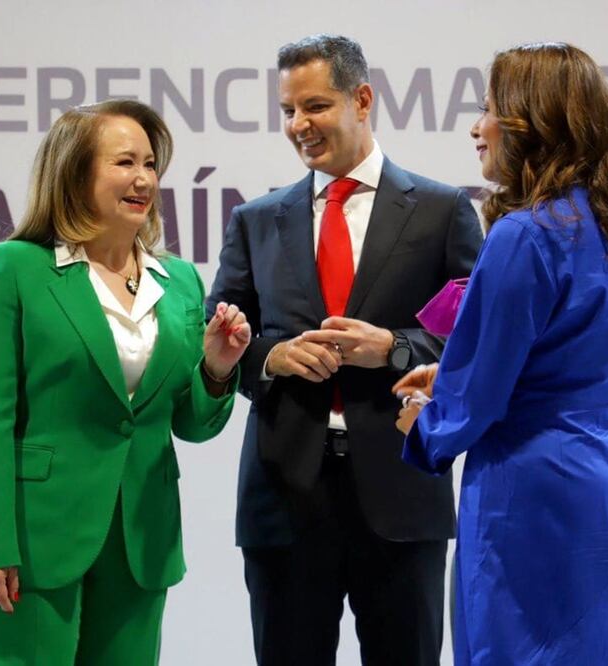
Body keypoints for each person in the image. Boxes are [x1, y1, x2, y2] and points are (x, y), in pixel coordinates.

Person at [0, 99, 251, 664]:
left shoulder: (177, 280)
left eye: (151, 164)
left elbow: (190, 424)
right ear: (76, 174)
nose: (143, 179)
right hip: (33, 540)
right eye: (124, 162)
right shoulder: (17, 269)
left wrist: (216, 368)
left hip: (141, 540)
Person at [207, 34, 482, 666]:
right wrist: (270, 358)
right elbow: (222, 338)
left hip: (402, 491)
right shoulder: (256, 220)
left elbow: (474, 338)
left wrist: (393, 348)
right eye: (287, 111)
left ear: (362, 99)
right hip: (284, 497)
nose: (298, 125)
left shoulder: (443, 212)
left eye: (314, 106)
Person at [394, 42, 608, 665]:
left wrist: (426, 422)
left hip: (527, 488)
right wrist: (458, 376)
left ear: (530, 123)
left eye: (488, 109)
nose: (476, 127)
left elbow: (479, 398)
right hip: (604, 479)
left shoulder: (526, 233)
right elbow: (556, 362)